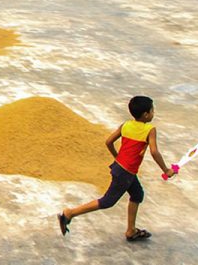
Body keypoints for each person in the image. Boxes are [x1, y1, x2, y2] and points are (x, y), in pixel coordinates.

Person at [58, 96, 176, 241]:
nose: (153, 113)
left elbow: (108, 141)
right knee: (107, 201)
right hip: (126, 172)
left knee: (137, 195)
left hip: (121, 168)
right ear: (146, 114)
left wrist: (118, 157)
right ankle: (69, 213)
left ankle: (131, 231)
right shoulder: (149, 130)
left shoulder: (126, 125)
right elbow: (154, 151)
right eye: (152, 110)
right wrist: (166, 170)